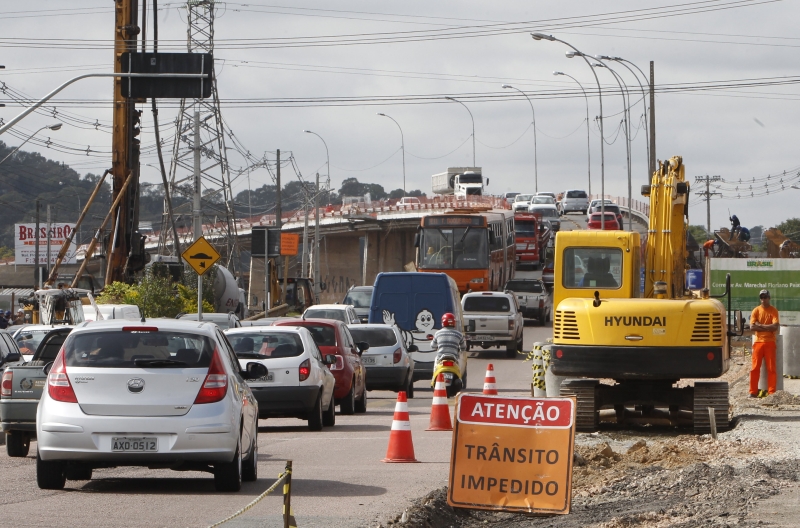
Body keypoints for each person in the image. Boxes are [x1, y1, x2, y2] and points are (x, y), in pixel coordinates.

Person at [750, 289, 780, 397]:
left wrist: (760, 325)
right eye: (761, 297)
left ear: (769, 298)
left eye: (765, 297)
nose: (763, 299)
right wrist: (768, 328)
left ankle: (771, 392)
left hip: (770, 343)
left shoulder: (774, 311)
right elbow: (752, 327)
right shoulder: (756, 310)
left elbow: (775, 326)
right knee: (754, 368)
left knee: (771, 369)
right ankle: (753, 392)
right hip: (758, 342)